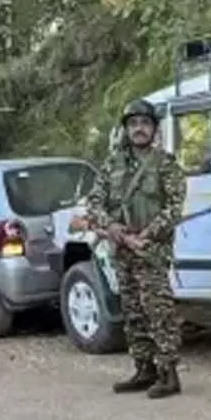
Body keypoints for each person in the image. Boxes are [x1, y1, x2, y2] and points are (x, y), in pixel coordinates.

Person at [87, 98, 187, 399]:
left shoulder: (165, 164)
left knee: (159, 312)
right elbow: (94, 203)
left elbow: (174, 207)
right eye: (133, 124)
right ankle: (144, 368)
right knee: (132, 311)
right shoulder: (112, 165)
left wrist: (148, 234)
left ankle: (168, 373)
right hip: (122, 250)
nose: (139, 129)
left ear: (154, 129)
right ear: (126, 130)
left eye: (145, 124)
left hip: (151, 251)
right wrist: (113, 228)